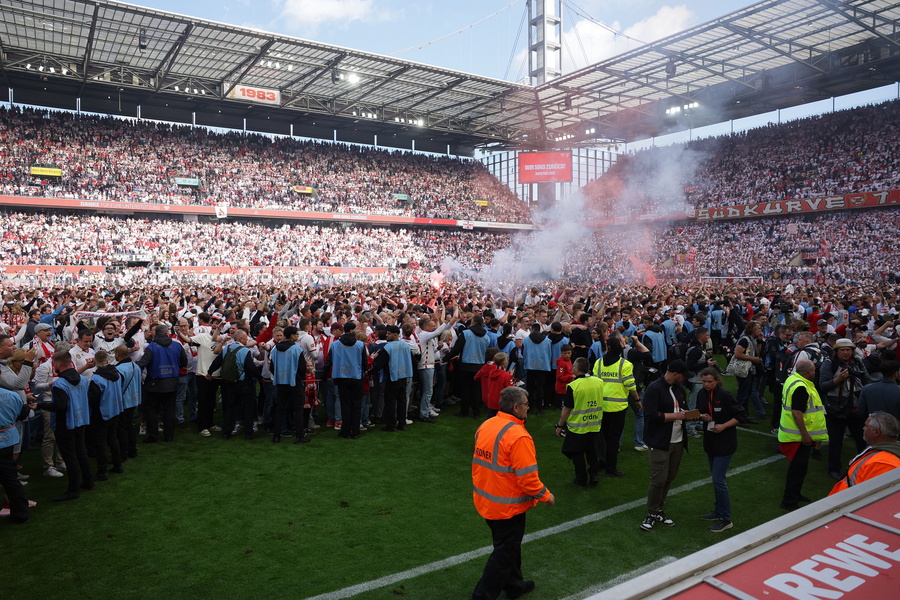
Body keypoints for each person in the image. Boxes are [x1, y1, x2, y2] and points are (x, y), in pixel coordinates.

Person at [471, 386, 554, 600]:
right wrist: (546, 495)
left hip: (487, 499)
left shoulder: (487, 425)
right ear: (516, 407)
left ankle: (515, 585)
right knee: (504, 554)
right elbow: (528, 479)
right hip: (508, 506)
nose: (528, 408)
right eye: (526, 404)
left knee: (509, 547)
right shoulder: (518, 436)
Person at [640, 360, 696, 531]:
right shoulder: (654, 389)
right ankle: (651, 513)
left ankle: (659, 509)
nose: (685, 379)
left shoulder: (679, 390)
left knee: (669, 477)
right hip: (660, 441)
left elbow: (683, 411)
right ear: (675, 374)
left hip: (678, 441)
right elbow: (651, 415)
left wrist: (695, 416)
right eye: (684, 376)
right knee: (658, 480)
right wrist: (677, 416)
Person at [34, 350, 94, 501]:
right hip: (80, 420)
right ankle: (88, 482)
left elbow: (60, 406)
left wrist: (40, 405)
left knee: (70, 456)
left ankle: (73, 490)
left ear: (59, 364)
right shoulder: (82, 379)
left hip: (65, 423)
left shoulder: (60, 383)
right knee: (80, 451)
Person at [696, 367, 747, 533]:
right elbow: (700, 411)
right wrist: (702, 416)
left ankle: (726, 519)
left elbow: (741, 415)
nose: (706, 384)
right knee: (715, 479)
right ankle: (718, 511)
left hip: (725, 442)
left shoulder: (724, 395)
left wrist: (724, 425)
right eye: (704, 381)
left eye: (710, 381)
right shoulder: (701, 394)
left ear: (717, 381)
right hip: (710, 441)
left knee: (718, 479)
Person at [777, 359, 828, 511]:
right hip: (797, 437)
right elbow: (797, 413)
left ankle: (795, 495)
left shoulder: (793, 379)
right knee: (797, 470)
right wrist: (805, 435)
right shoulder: (801, 386)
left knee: (799, 469)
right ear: (810, 371)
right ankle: (789, 501)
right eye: (814, 370)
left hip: (792, 433)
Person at [819, 338, 871, 479]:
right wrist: (837, 380)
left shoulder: (858, 362)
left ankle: (864, 467)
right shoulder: (829, 364)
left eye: (848, 350)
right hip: (836, 409)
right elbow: (822, 386)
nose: (846, 353)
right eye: (842, 350)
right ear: (836, 351)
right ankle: (833, 469)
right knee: (835, 441)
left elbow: (866, 380)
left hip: (856, 408)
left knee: (862, 440)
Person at [595, 337, 640, 477]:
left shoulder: (599, 362)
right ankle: (611, 468)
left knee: (602, 436)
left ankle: (601, 462)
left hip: (601, 405)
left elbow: (595, 382)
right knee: (613, 439)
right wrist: (637, 399)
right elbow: (630, 385)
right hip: (618, 407)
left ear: (608, 347)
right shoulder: (625, 364)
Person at [556, 357, 604, 487]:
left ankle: (581, 479)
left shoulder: (573, 386)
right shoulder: (599, 382)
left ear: (576, 369)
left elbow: (567, 408)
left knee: (578, 454)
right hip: (594, 425)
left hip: (577, 427)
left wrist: (560, 425)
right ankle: (594, 475)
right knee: (593, 453)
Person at [137, 324, 187, 443]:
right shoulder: (177, 345)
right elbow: (184, 362)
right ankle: (169, 436)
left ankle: (154, 436)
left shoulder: (152, 347)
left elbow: (143, 362)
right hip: (172, 382)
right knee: (169, 410)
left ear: (156, 333)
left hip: (154, 384)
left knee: (152, 410)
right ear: (167, 332)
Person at [828, 412, 900, 495]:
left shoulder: (883, 464)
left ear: (876, 432)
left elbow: (872, 498)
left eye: (866, 426)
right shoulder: (879, 451)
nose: (863, 428)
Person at [324, 321, 367, 439]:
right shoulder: (360, 345)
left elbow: (328, 361)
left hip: (341, 377)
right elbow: (364, 362)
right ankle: (356, 431)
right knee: (356, 405)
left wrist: (324, 374)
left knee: (345, 405)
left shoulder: (336, 344)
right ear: (352, 330)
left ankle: (345, 430)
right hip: (356, 376)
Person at [270, 326, 311, 445]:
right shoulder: (296, 349)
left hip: (280, 382)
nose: (297, 336)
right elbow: (302, 367)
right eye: (296, 334)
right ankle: (299, 436)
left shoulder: (275, 348)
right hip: (294, 382)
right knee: (298, 409)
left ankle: (276, 436)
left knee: (280, 409)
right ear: (292, 335)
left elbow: (272, 367)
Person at [0, 386, 30, 522]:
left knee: (10, 478)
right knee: (10, 478)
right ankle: (20, 513)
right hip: (8, 439)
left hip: (7, 437)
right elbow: (22, 413)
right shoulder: (11, 395)